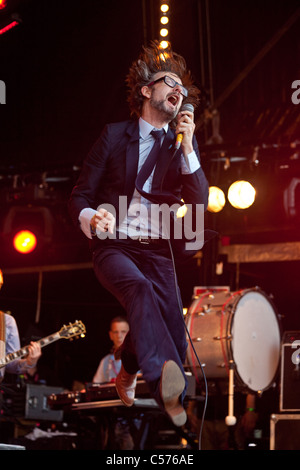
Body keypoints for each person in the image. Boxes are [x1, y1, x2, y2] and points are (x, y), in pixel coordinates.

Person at [69, 41, 209, 427]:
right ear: (147, 90)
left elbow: (199, 199)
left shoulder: (179, 144)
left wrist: (188, 145)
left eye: (183, 88)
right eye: (170, 82)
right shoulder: (115, 135)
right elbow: (80, 194)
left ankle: (129, 372)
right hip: (115, 246)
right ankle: (169, 385)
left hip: (158, 251)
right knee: (139, 291)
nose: (178, 90)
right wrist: (90, 217)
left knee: (174, 332)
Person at [93, 316, 129, 384]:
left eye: (123, 332)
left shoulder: (140, 359)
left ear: (130, 334)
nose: (119, 336)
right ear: (111, 335)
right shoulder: (105, 361)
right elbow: (95, 385)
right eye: (116, 332)